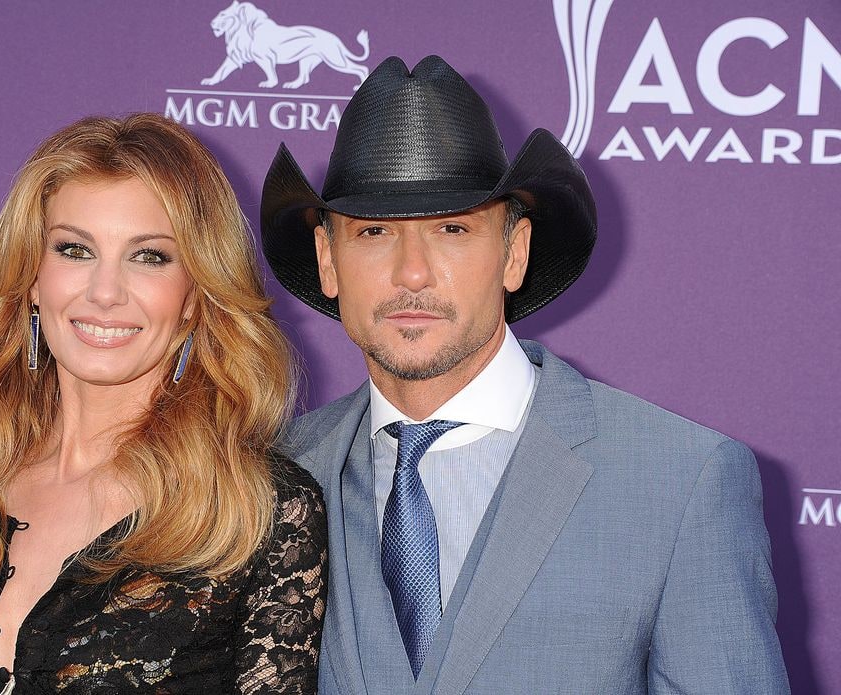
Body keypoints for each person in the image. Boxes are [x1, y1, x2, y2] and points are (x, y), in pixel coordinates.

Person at [260, 55, 788, 694]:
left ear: (515, 253)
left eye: (452, 229)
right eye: (374, 232)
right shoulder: (267, 477)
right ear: (328, 260)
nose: (411, 272)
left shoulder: (683, 481)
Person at [0, 113, 327, 694]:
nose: (105, 292)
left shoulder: (259, 514)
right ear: (32, 279)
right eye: (74, 250)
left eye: (149, 257)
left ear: (195, 296)